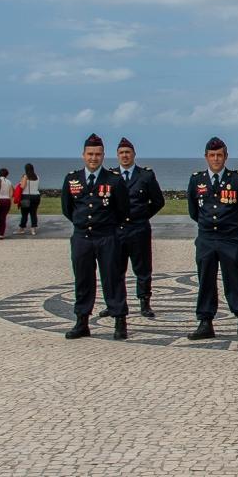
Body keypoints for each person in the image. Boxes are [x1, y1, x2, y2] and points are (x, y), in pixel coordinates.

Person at [186, 137, 238, 342]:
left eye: (219, 155)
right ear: (206, 157)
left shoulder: (237, 180)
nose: (216, 159)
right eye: (212, 155)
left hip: (230, 238)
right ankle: (205, 322)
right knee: (206, 280)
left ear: (226, 157)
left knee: (235, 281)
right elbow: (193, 210)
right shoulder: (196, 180)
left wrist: (231, 226)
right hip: (206, 238)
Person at [60, 134, 129, 340]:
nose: (93, 158)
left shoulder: (114, 180)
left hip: (107, 236)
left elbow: (123, 210)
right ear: (83, 155)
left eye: (98, 154)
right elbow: (67, 208)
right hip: (82, 237)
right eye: (90, 154)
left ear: (103, 156)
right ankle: (82, 321)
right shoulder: (72, 179)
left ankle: (119, 321)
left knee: (112, 278)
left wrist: (108, 227)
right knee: (83, 279)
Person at [99, 138, 165, 319]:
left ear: (134, 155)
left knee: (143, 269)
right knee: (115, 269)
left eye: (128, 152)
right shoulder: (110, 176)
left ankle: (145, 303)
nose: (125, 156)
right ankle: (114, 303)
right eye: (121, 153)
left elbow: (158, 201)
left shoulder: (146, 176)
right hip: (117, 230)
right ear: (117, 156)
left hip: (139, 229)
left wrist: (142, 215)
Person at [17, 163, 41, 236]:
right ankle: (33, 229)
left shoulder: (25, 176)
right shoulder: (37, 176)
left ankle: (22, 229)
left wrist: (20, 183)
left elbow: (23, 186)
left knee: (24, 213)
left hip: (26, 196)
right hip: (36, 196)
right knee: (33, 213)